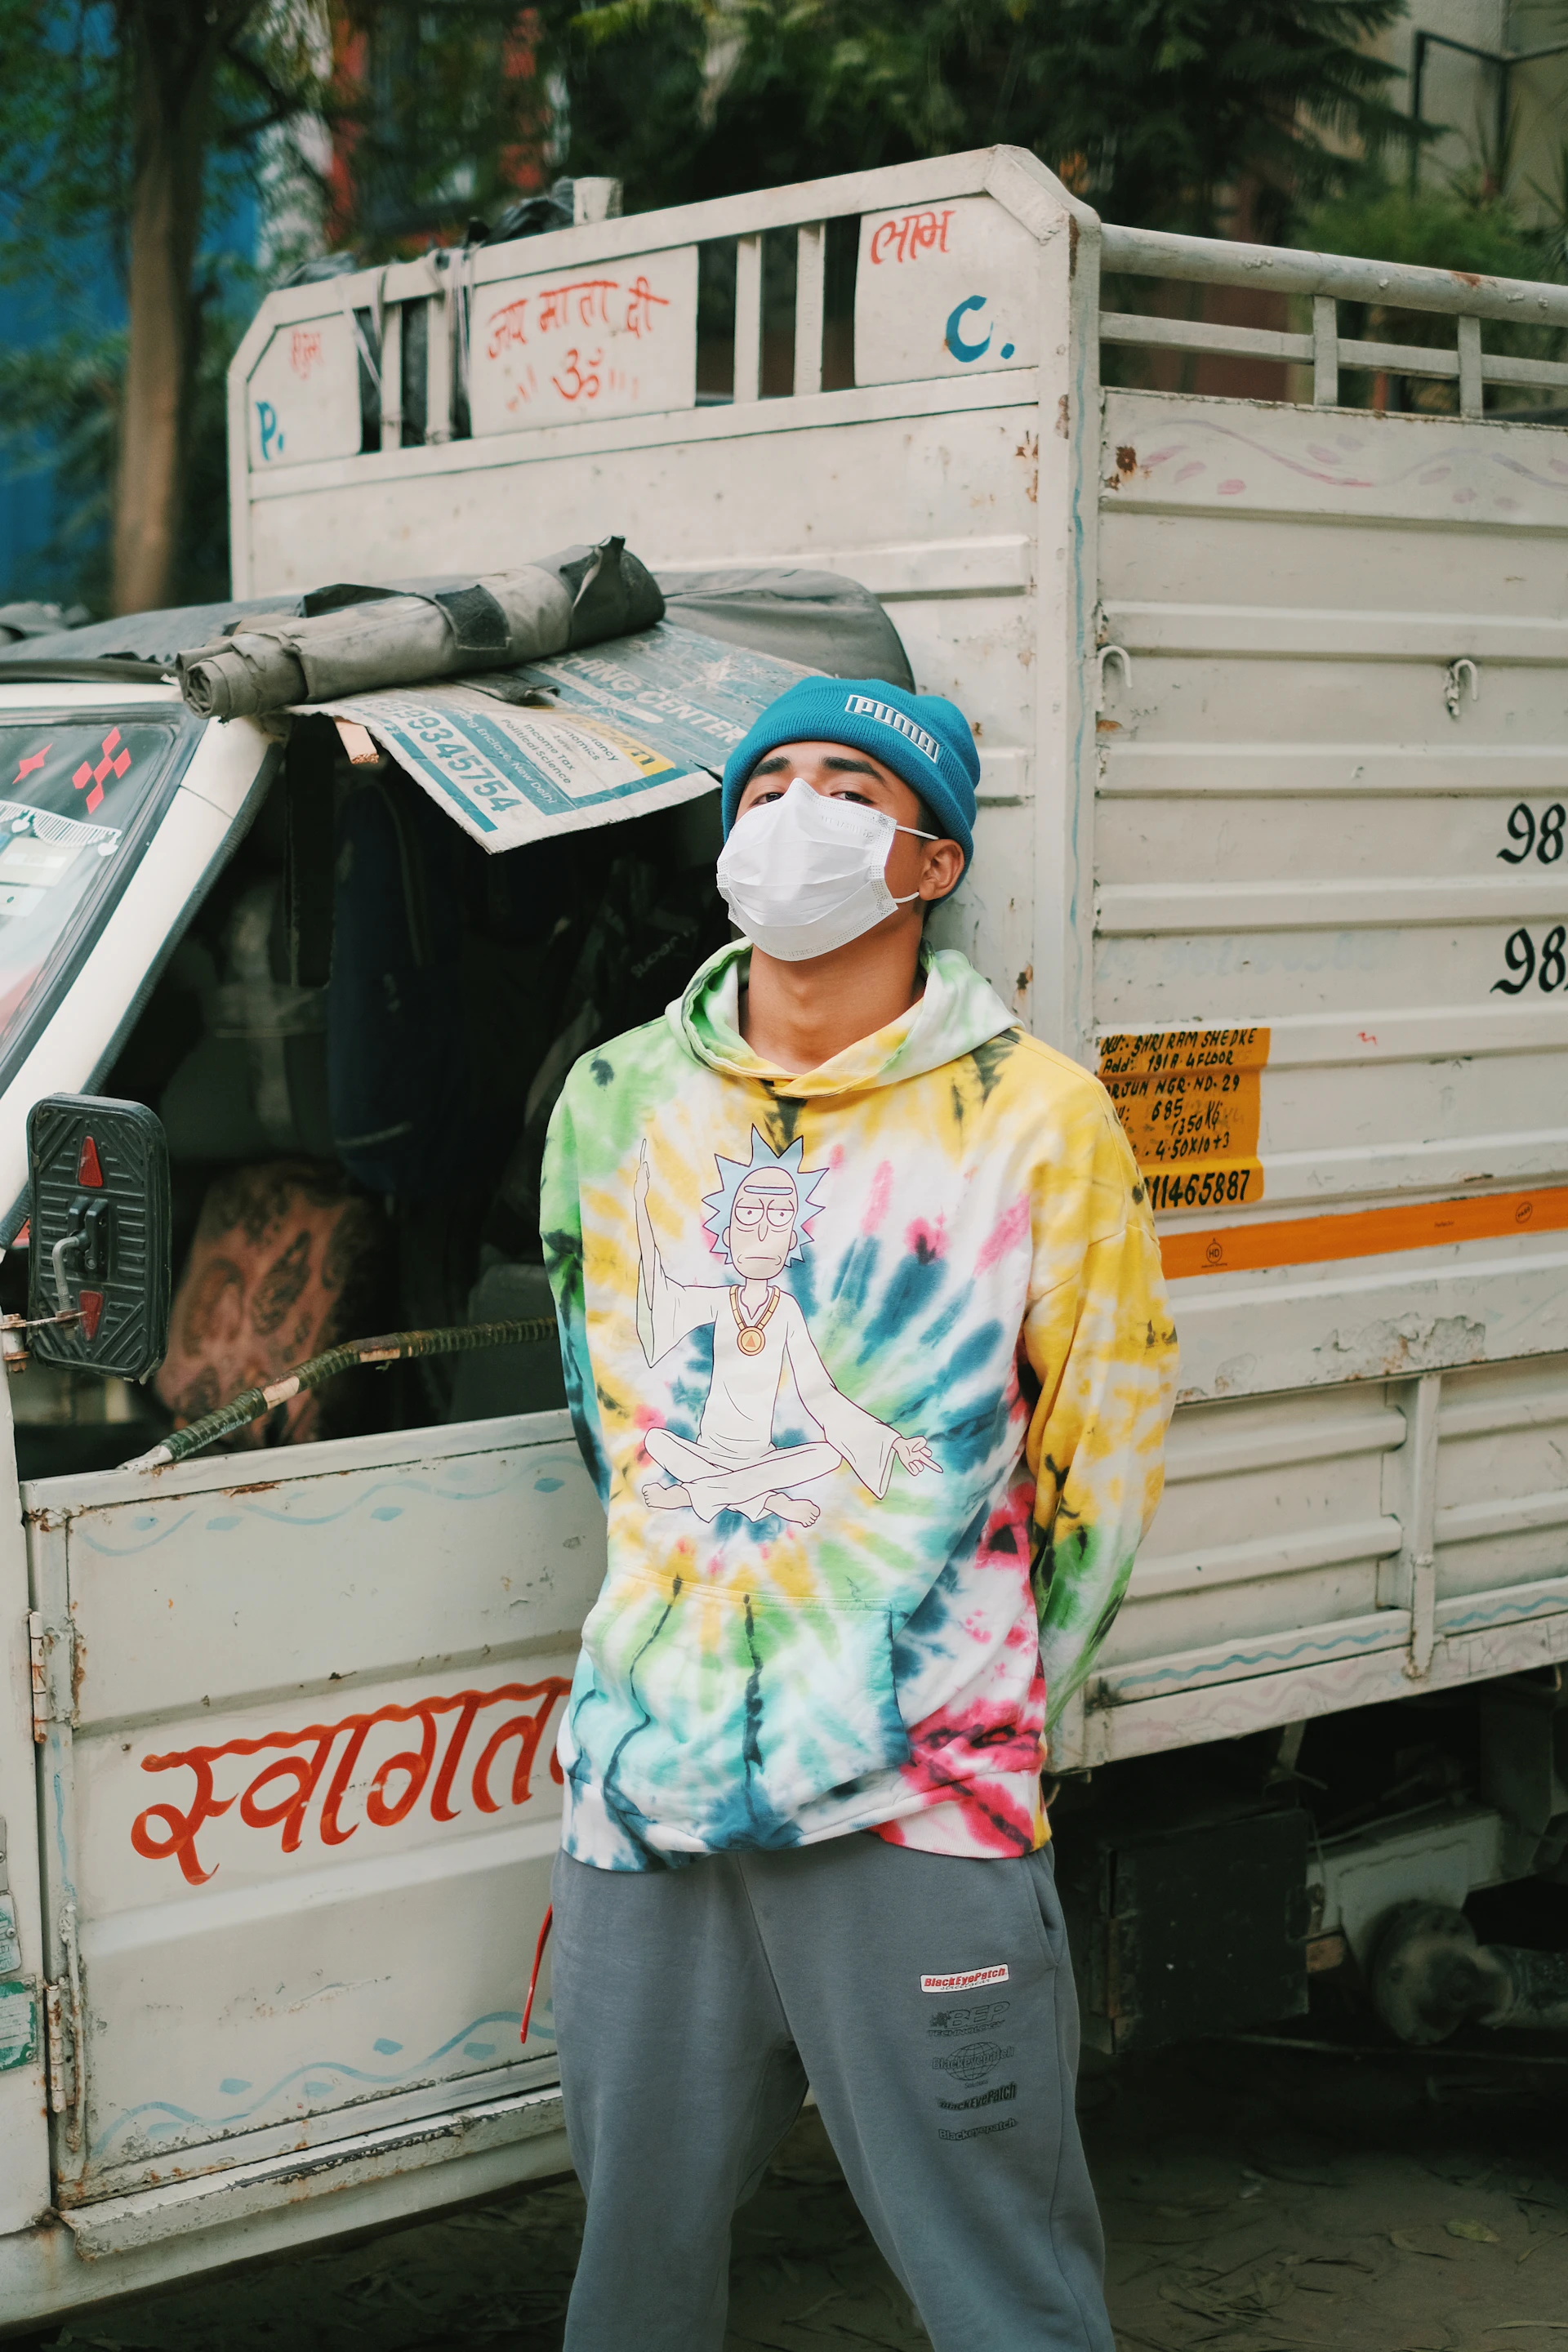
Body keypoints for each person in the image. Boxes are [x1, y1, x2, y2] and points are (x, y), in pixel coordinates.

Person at [541, 675, 1178, 2351]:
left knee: (999, 2278)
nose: (790, 816)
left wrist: (955, 1689)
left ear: (928, 861)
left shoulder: (1039, 1118)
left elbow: (1104, 1457)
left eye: (843, 787)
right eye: (765, 786)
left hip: (918, 1796)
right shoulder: (614, 1110)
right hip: (647, 1784)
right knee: (631, 2276)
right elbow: (611, 1414)